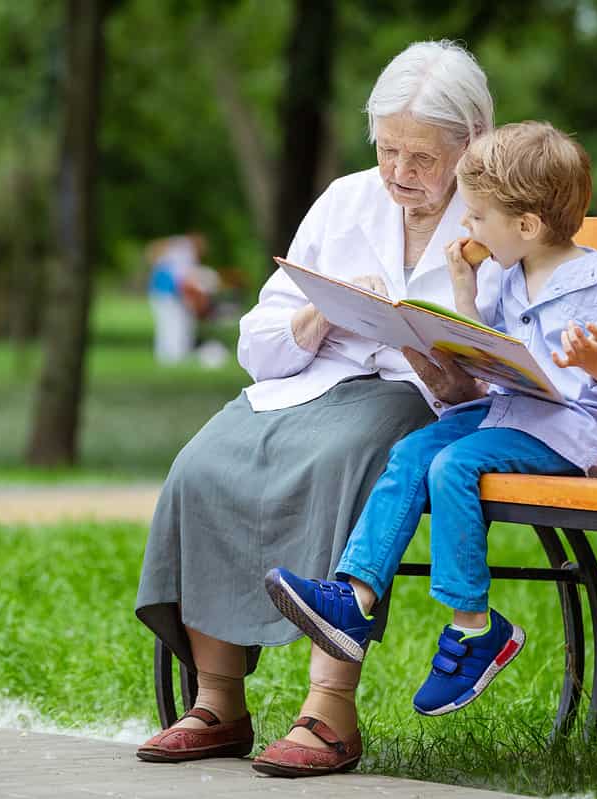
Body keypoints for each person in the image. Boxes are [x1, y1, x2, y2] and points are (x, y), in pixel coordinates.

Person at [135, 40, 502, 776]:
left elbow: (510, 374)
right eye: (388, 150)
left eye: (421, 159)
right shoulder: (345, 199)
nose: (399, 173)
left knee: (347, 459)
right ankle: (218, 699)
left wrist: (431, 352)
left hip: (415, 400)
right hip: (309, 382)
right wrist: (322, 316)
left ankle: (328, 708)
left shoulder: (499, 218)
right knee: (204, 461)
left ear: (472, 143)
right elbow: (258, 340)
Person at [265, 122, 597, 721]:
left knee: (454, 465)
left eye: (475, 217)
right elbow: (486, 344)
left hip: (567, 432)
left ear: (526, 225)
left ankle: (475, 628)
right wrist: (461, 290)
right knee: (415, 452)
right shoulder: (509, 271)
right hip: (508, 412)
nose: (466, 228)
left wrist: (596, 361)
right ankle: (354, 594)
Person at [146, 233, 220, 364]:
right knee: (172, 324)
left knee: (170, 325)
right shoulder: (185, 251)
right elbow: (183, 279)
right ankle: (173, 355)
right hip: (167, 293)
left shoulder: (178, 249)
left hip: (165, 292)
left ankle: (170, 355)